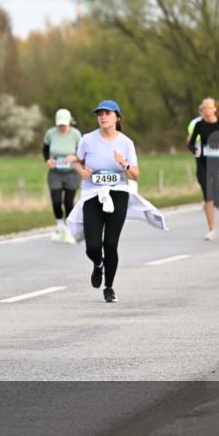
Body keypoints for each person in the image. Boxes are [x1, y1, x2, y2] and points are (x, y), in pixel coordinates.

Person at [67, 100, 166, 303]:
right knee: (93, 246)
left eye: (108, 113)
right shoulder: (87, 140)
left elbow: (136, 175)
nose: (103, 117)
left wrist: (124, 163)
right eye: (100, 114)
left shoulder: (126, 143)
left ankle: (109, 287)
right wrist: (81, 171)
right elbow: (79, 162)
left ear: (117, 118)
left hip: (118, 193)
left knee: (111, 243)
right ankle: (98, 264)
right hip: (92, 194)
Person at [188, 97, 219, 240]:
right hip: (203, 165)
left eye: (210, 107)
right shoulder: (199, 125)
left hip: (218, 166)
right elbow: (190, 144)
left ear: (215, 109)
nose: (207, 110)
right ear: (203, 110)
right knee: (207, 198)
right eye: (205, 108)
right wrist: (194, 150)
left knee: (217, 200)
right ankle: (212, 230)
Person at [43, 109, 83, 244]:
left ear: (69, 122)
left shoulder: (76, 134)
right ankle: (60, 227)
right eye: (60, 125)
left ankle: (69, 230)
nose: (62, 127)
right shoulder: (50, 133)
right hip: (55, 172)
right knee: (55, 201)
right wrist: (47, 160)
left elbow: (83, 153)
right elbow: (45, 149)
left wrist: (75, 157)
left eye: (64, 125)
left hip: (72, 173)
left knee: (68, 202)